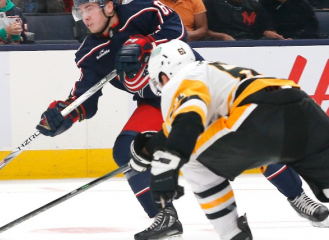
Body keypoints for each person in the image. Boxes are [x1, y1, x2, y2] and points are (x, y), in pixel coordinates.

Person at [36, 0, 190, 239]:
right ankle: (164, 217)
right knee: (125, 151)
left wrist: (147, 43)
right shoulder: (90, 52)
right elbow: (86, 99)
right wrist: (63, 114)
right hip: (156, 103)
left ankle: (290, 192)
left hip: (192, 88)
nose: (84, 16)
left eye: (89, 8)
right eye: (80, 10)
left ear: (109, 6)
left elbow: (177, 30)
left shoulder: (139, 9)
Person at [132, 39, 329, 239]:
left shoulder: (180, 80)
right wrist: (147, 149)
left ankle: (233, 233)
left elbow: (189, 116)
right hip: (302, 108)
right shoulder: (214, 71)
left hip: (257, 116)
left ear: (165, 73)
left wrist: (168, 162)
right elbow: (178, 129)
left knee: (192, 157)